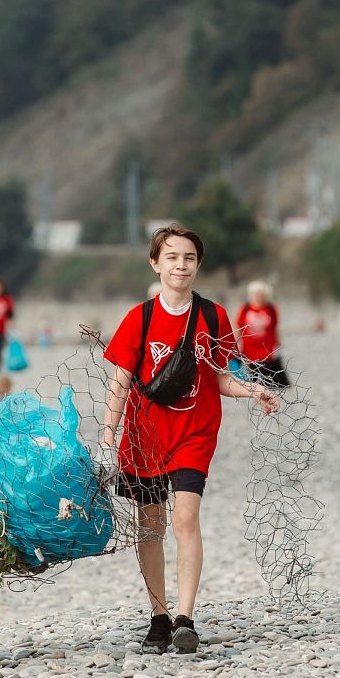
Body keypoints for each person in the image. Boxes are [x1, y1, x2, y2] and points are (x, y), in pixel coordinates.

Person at [98, 224, 279, 655]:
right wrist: (107, 440)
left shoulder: (213, 316)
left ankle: (185, 618)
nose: (181, 266)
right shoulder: (138, 318)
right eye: (172, 257)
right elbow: (119, 384)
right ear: (155, 263)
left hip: (195, 435)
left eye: (190, 258)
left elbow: (219, 378)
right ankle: (158, 615)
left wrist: (253, 390)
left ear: (198, 264)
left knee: (185, 519)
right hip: (142, 439)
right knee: (150, 526)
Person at [234, 280, 291, 388]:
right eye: (256, 294)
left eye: (261, 294)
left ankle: (269, 390)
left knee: (266, 370)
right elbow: (239, 327)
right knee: (254, 372)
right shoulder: (245, 309)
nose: (259, 297)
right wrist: (235, 344)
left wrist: (279, 343)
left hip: (267, 347)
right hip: (250, 347)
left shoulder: (271, 309)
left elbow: (275, 327)